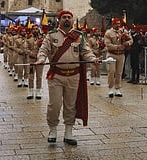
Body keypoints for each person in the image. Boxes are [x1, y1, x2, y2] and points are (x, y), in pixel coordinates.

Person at [35, 9, 99, 146]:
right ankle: (52, 130)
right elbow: (43, 50)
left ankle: (68, 132)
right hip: (56, 75)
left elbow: (86, 51)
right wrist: (41, 59)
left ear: (72, 19)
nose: (67, 19)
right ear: (59, 19)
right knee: (54, 105)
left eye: (69, 17)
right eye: (64, 17)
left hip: (73, 75)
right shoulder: (51, 35)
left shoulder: (79, 36)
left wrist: (93, 59)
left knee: (70, 105)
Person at [104, 17, 133, 98]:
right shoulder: (108, 33)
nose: (118, 25)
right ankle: (110, 88)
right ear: (113, 24)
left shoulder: (123, 31)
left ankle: (117, 88)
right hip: (112, 54)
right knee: (111, 71)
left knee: (119, 72)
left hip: (121, 54)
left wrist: (126, 43)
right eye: (116, 23)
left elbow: (131, 40)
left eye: (118, 23)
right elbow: (108, 44)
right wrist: (117, 47)